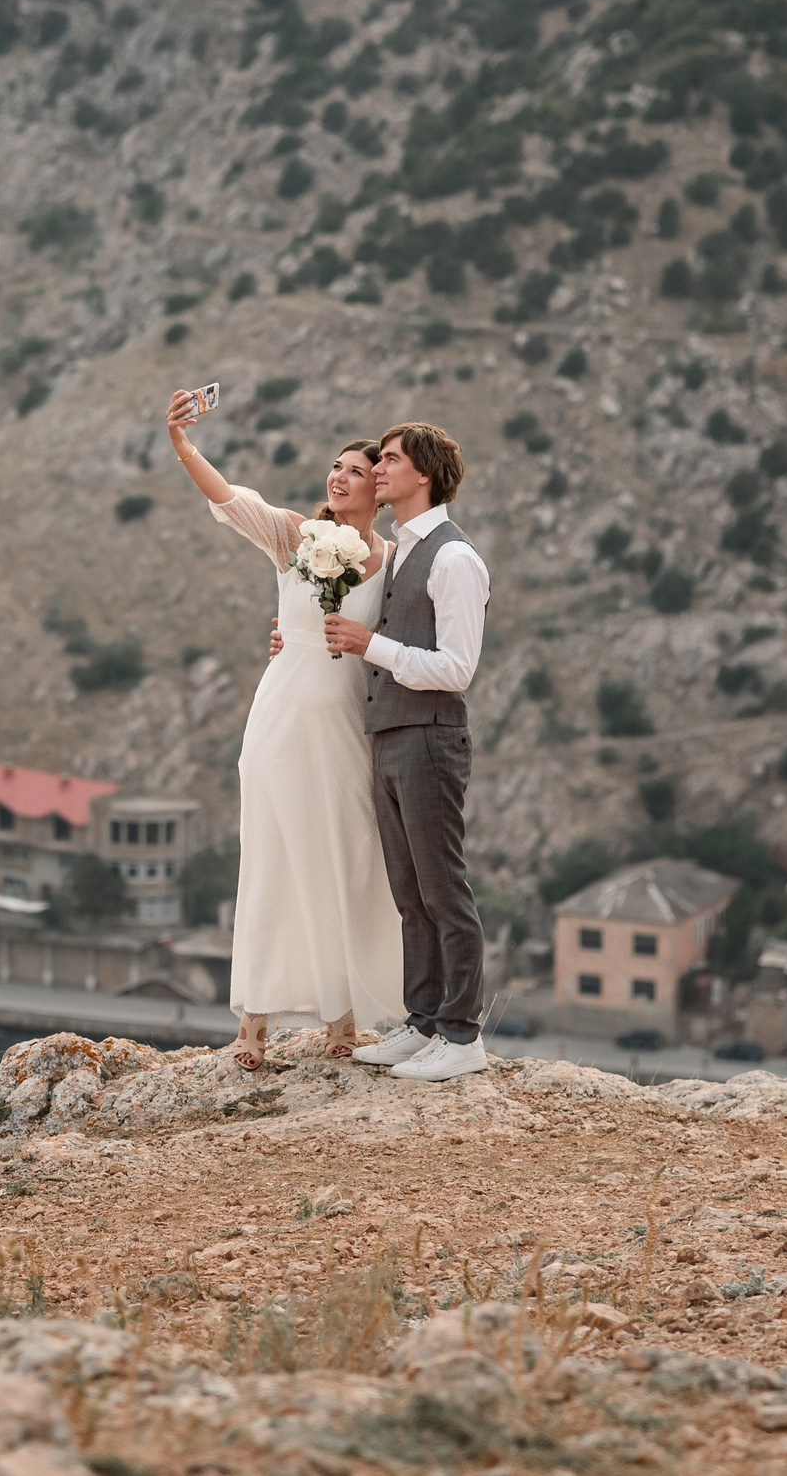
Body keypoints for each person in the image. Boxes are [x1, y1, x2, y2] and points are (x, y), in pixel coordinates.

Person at [167, 391, 403, 1070]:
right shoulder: (295, 535)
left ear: (378, 489)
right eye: (335, 466)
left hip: (346, 728)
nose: (339, 476)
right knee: (269, 858)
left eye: (355, 470)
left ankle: (343, 1018)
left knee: (342, 861)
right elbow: (231, 499)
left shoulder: (395, 563)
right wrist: (184, 445)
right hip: (279, 718)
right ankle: (251, 1028)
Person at [323, 423, 492, 1083]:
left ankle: (461, 1032)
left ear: (423, 473)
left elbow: (457, 667)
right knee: (409, 893)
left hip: (429, 738)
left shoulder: (455, 559)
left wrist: (373, 647)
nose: (379, 467)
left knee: (444, 889)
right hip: (390, 736)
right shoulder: (398, 553)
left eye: (390, 459)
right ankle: (423, 1021)